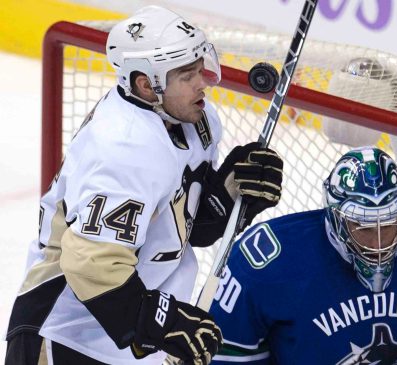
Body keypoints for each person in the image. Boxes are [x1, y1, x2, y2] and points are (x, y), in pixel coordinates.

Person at [4, 6, 283, 365]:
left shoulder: (194, 119)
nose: (203, 82)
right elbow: (90, 263)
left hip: (129, 334)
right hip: (69, 334)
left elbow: (186, 229)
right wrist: (161, 321)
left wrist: (229, 191)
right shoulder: (124, 148)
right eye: (187, 75)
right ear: (145, 85)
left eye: (200, 67)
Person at [208, 146, 397, 365]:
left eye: (389, 224)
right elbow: (229, 355)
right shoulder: (266, 261)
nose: (379, 242)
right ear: (334, 217)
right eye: (363, 227)